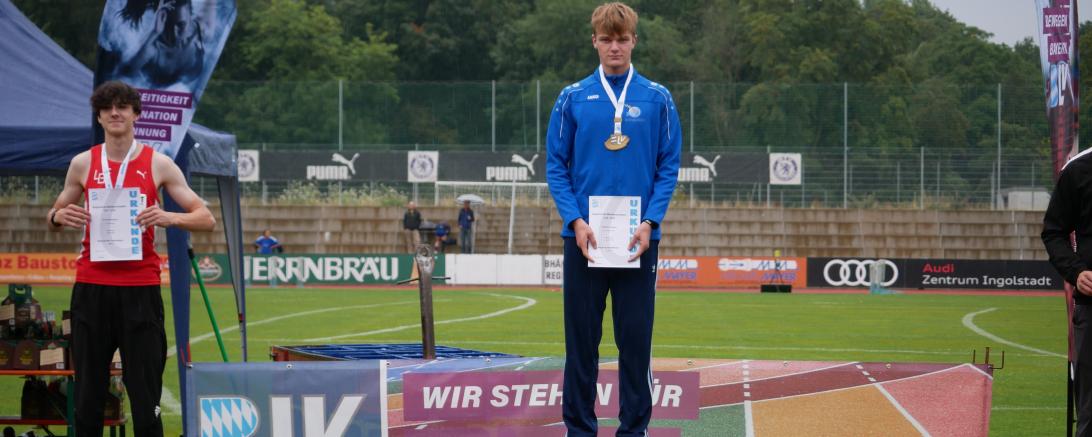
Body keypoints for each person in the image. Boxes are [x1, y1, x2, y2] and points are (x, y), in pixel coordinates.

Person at [47, 81, 215, 437]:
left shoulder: (159, 164)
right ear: (99, 115)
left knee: (145, 395)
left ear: (136, 114)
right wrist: (56, 218)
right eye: (108, 107)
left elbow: (205, 218)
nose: (115, 112)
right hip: (92, 290)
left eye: (123, 106)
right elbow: (57, 214)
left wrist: (170, 218)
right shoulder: (82, 163)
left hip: (140, 291)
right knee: (88, 395)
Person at [545, 3, 681, 436]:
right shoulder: (572, 98)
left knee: (635, 344)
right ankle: (580, 430)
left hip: (637, 240)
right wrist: (575, 220)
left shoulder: (657, 99)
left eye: (622, 39)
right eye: (607, 39)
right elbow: (555, 166)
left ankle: (633, 431)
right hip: (585, 239)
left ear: (634, 41)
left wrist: (650, 223)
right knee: (581, 344)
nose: (615, 47)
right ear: (595, 42)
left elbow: (668, 166)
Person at [1043, 147, 1092, 436]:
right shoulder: (1079, 170)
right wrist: (1076, 272)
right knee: (1090, 410)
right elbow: (1053, 231)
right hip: (1091, 308)